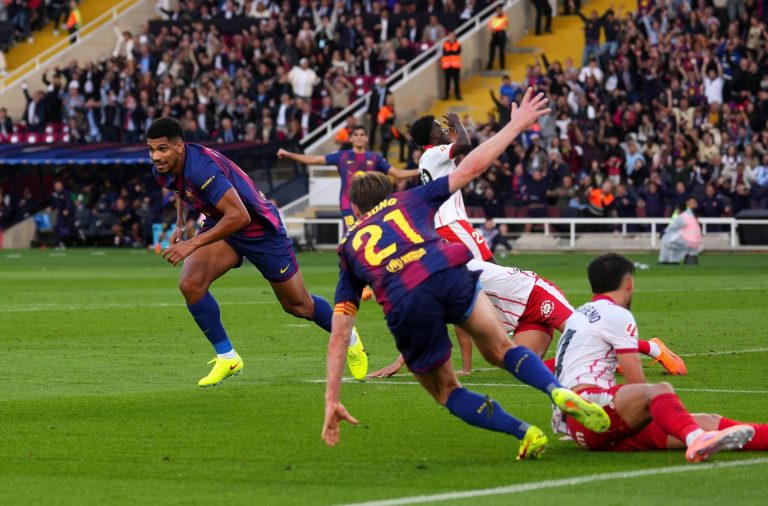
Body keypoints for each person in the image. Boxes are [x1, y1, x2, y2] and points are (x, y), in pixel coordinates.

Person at [322, 89, 612, 459]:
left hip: (408, 301)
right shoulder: (410, 199)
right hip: (448, 271)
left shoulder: (348, 245)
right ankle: (557, 391)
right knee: (503, 350)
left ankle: (525, 432)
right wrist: (516, 124)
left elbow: (340, 332)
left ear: (357, 207)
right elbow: (473, 165)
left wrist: (332, 399)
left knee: (447, 391)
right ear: (388, 192)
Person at [145, 117, 367, 385]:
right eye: (151, 150)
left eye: (162, 149)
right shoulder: (163, 169)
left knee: (298, 305)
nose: (156, 156)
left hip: (258, 228)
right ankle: (228, 357)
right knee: (191, 283)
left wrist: (191, 243)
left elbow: (240, 217)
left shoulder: (202, 168)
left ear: (179, 147)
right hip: (223, 224)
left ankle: (350, 338)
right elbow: (180, 190)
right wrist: (181, 224)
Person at [552, 253, 766, 461]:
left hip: (582, 424)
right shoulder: (616, 314)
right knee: (659, 391)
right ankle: (697, 439)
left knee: (708, 422)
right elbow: (637, 384)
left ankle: (704, 434)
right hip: (593, 410)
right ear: (628, 283)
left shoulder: (579, 314)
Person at [369, 258, 687, 378]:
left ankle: (653, 348)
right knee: (523, 368)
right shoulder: (440, 279)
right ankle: (603, 359)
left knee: (583, 332)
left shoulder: (455, 272)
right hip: (523, 320)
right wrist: (401, 362)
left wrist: (401, 362)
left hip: (537, 295)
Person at [370, 111, 489, 376]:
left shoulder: (429, 157)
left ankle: (468, 364)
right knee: (490, 274)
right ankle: (510, 325)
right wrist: (457, 121)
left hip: (444, 225)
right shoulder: (434, 154)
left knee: (466, 287)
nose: (444, 129)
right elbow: (465, 143)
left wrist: (453, 130)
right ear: (433, 135)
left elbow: (458, 147)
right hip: (453, 224)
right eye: (440, 127)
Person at [277, 125, 418, 232]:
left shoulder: (375, 158)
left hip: (371, 206)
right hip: (349, 205)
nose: (359, 137)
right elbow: (313, 159)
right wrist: (290, 155)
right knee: (351, 238)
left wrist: (422, 170)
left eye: (362, 134)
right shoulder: (342, 156)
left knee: (373, 237)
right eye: (356, 134)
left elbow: (398, 174)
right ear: (351, 138)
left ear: (367, 138)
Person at [659, 198, 703, 265]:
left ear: (679, 209)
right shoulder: (691, 216)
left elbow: (672, 228)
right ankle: (677, 261)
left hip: (688, 242)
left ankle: (665, 261)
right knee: (676, 243)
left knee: (666, 240)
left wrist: (663, 232)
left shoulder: (682, 217)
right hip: (697, 243)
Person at [441, 32, 462, 101]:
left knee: (456, 82)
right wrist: (452, 52)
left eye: (452, 36)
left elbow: (457, 52)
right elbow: (445, 53)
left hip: (455, 66)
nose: (451, 37)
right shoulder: (445, 44)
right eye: (450, 36)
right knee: (447, 82)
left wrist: (449, 52)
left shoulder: (458, 44)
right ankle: (446, 96)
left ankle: (458, 95)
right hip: (447, 66)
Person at [486, 6, 508, 70]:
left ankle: (502, 65)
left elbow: (504, 25)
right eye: (497, 10)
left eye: (499, 10)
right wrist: (491, 29)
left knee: (501, 51)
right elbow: (490, 25)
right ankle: (490, 65)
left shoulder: (505, 17)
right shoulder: (493, 18)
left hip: (501, 35)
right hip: (494, 35)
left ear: (501, 10)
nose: (498, 11)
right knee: (491, 50)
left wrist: (495, 29)